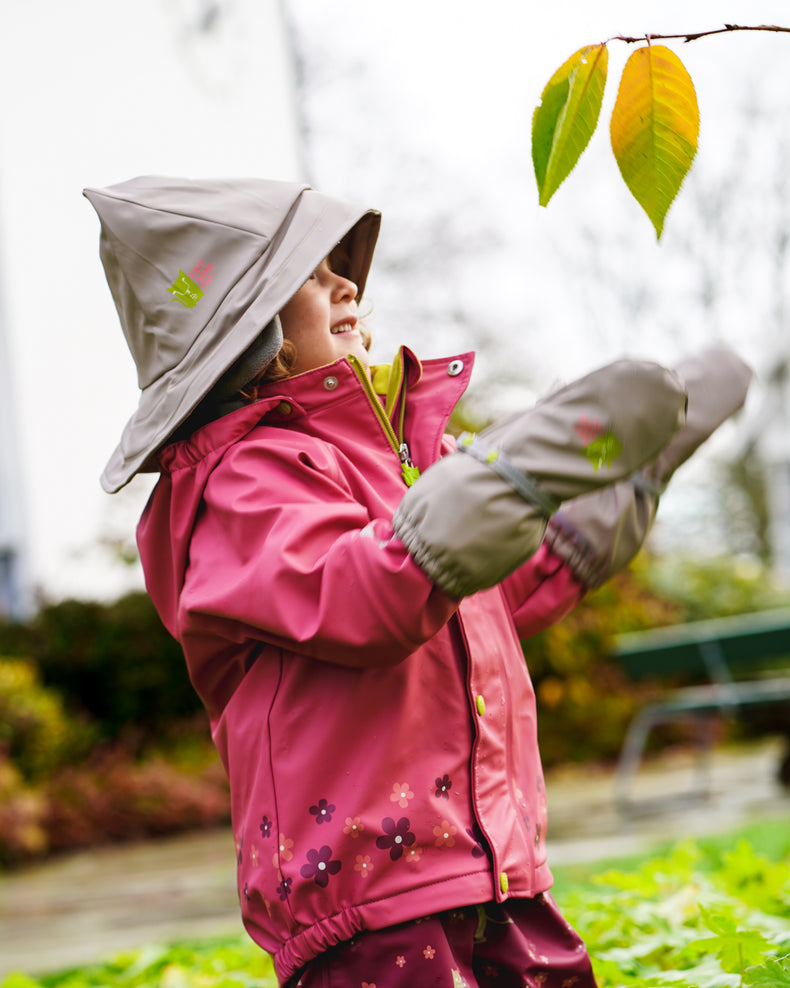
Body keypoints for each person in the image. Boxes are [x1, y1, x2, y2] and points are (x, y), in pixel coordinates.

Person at [84, 176, 751, 988]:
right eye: (312, 270)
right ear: (251, 334)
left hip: (489, 862)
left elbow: (493, 595)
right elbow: (370, 592)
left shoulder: (398, 454)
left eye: (343, 266)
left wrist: (606, 495)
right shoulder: (238, 484)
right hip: (371, 896)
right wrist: (511, 474)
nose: (347, 284)